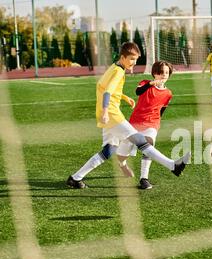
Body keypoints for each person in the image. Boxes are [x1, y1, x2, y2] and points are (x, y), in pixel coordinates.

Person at [66, 42, 190, 189]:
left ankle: (75, 178)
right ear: (123, 57)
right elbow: (107, 92)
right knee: (140, 140)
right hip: (111, 114)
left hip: (108, 113)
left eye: (136, 59)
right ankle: (172, 166)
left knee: (109, 150)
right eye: (131, 59)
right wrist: (106, 111)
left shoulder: (113, 68)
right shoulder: (119, 72)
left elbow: (102, 86)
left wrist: (123, 97)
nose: (134, 62)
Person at [115, 60, 174, 190]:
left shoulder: (168, 93)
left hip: (152, 123)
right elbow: (138, 92)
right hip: (135, 122)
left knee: (149, 144)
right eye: (160, 72)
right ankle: (123, 165)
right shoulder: (145, 83)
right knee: (122, 154)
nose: (163, 75)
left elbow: (162, 109)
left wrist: (156, 121)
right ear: (154, 73)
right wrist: (151, 83)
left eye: (166, 72)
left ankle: (144, 178)